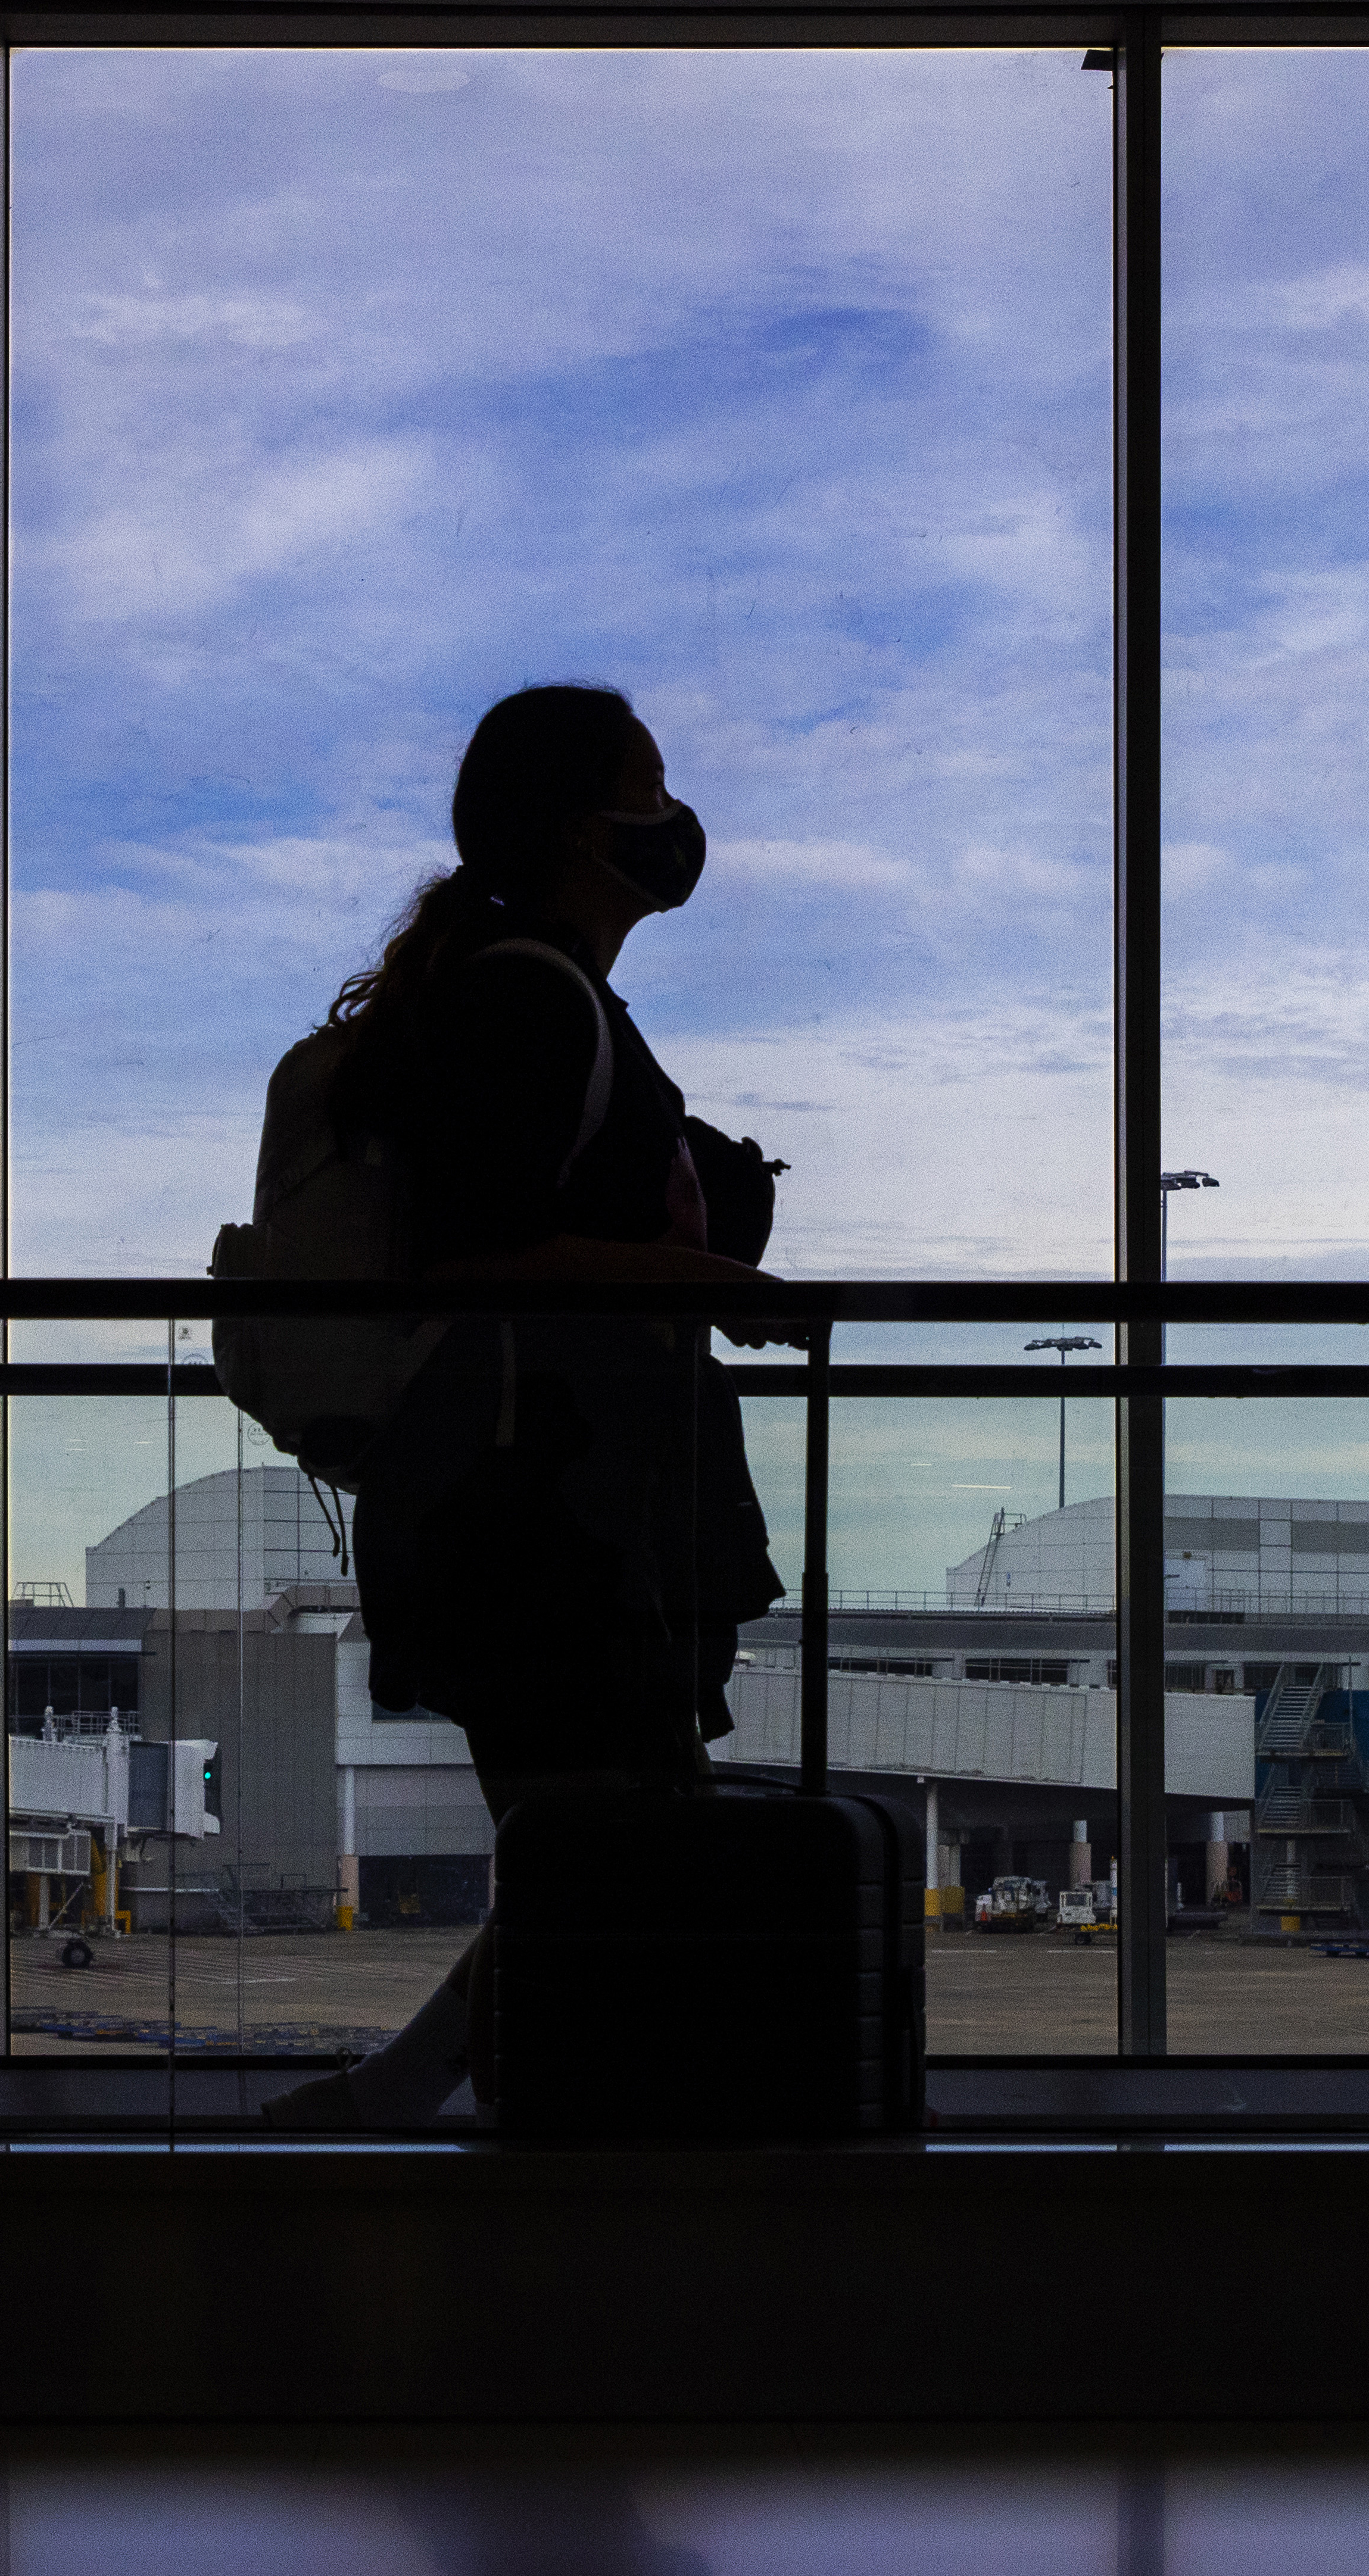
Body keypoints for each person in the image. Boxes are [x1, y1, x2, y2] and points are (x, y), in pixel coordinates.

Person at [263, 683, 797, 2128]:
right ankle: (499, 2138)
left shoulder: (542, 990)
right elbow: (478, 1245)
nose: (675, 819)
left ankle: (412, 2102)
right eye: (651, 786)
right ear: (578, 826)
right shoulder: (524, 996)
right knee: (621, 1857)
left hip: (555, 1503)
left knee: (605, 1852)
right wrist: (700, 1277)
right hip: (536, 1512)